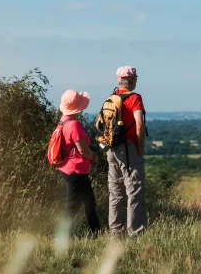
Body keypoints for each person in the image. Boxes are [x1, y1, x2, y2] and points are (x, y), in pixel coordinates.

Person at [105, 66, 148, 237]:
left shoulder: (111, 97)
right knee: (135, 190)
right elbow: (139, 124)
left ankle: (116, 233)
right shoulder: (135, 98)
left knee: (115, 191)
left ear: (119, 81)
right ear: (133, 81)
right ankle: (136, 233)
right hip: (129, 148)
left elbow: (98, 125)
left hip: (112, 148)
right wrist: (140, 145)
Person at [57, 89, 101, 235]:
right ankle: (61, 236)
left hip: (68, 168)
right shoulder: (74, 125)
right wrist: (94, 157)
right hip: (75, 170)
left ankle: (97, 233)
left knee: (89, 201)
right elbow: (83, 150)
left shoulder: (63, 120)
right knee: (72, 205)